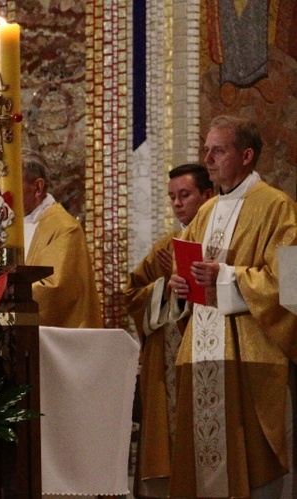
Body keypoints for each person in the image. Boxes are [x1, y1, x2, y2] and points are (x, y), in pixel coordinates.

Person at [166, 115, 297, 498]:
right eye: (206, 150)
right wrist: (180, 286)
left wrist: (226, 276)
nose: (208, 158)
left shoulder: (279, 206)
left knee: (254, 465)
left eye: (218, 150)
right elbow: (189, 275)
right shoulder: (204, 213)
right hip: (204, 352)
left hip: (251, 353)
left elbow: (289, 287)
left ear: (246, 155)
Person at [124, 163, 213, 498]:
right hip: (167, 363)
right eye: (172, 197)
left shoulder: (222, 244)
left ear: (208, 195)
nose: (177, 204)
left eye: (185, 195)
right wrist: (163, 286)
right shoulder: (166, 245)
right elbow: (132, 294)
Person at [21, 150, 103, 328]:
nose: (2, 195)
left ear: (37, 187)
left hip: (55, 340)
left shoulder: (64, 228)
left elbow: (55, 290)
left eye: (11, 185)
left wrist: (1, 296)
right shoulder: (9, 226)